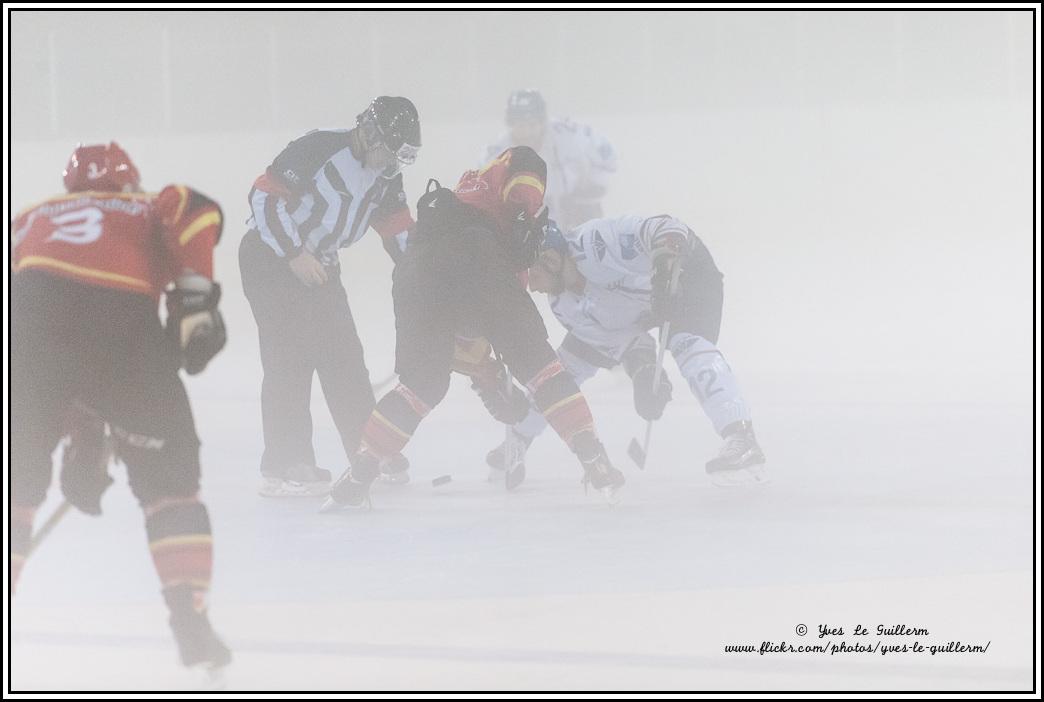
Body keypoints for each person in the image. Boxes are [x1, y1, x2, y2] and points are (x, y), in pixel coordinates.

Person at [11, 142, 231, 670]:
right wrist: (196, 297)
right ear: (129, 183)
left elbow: (55, 336)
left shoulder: (28, 218)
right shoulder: (146, 204)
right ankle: (190, 620)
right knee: (171, 488)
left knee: (17, 483)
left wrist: (81, 441)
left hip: (28, 324)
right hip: (122, 330)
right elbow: (195, 205)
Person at [323, 146, 625, 510]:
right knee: (541, 370)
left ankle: (362, 470)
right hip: (478, 260)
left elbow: (467, 345)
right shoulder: (494, 208)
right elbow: (526, 160)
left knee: (420, 387)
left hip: (416, 276)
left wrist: (490, 379)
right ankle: (592, 455)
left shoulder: (452, 210)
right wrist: (522, 215)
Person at [487, 215, 768, 487]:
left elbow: (666, 227)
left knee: (687, 346)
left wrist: (664, 269)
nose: (530, 286)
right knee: (562, 369)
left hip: (688, 275)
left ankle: (741, 436)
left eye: (530, 275)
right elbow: (626, 340)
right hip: (646, 308)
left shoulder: (595, 242)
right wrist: (645, 373)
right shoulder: (563, 305)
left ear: (550, 260)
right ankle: (518, 439)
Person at [239, 96, 420, 497]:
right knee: (290, 356)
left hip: (318, 263)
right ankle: (286, 463)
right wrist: (293, 253)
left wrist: (422, 273)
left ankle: (369, 450)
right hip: (270, 257)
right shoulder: (318, 148)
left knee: (345, 358)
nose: (390, 163)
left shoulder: (386, 174)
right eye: (387, 152)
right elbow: (264, 196)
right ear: (369, 132)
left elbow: (397, 227)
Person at [481, 89, 617, 231]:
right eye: (521, 126)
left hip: (576, 218)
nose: (527, 132)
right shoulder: (495, 154)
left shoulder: (568, 133)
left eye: (532, 125)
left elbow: (606, 152)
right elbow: (484, 197)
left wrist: (590, 192)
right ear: (510, 124)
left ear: (542, 122)